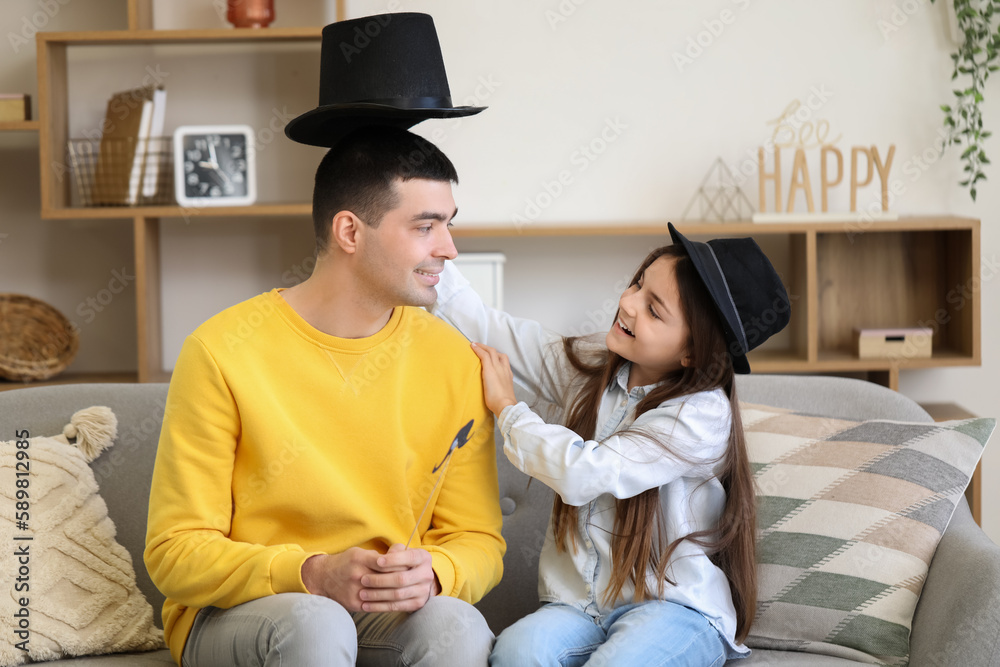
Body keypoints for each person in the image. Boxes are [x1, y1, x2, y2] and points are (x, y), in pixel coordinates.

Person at [144, 14, 505, 667]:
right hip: (242, 612)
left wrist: (436, 572)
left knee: (458, 625)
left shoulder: (453, 359)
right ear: (349, 231)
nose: (449, 249)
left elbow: (477, 538)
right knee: (313, 624)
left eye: (449, 224)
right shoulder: (223, 350)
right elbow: (175, 552)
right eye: (426, 226)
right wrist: (309, 571)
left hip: (378, 606)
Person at [431, 223, 791, 666]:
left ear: (693, 353)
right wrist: (421, 243)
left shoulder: (701, 415)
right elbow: (488, 325)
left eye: (654, 310)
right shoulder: (595, 369)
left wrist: (508, 409)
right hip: (579, 608)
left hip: (675, 610)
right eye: (639, 284)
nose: (627, 303)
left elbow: (586, 471)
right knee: (516, 654)